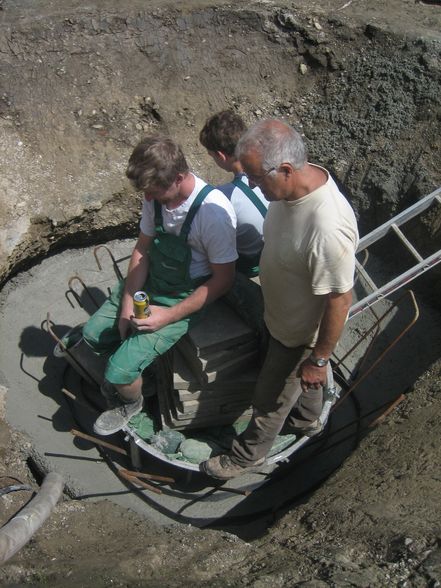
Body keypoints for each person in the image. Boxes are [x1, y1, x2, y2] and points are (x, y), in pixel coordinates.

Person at [201, 119, 359, 480]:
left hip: (297, 334)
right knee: (299, 384)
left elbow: (340, 298)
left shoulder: (326, 228)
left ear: (286, 169)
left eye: (256, 178)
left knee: (269, 399)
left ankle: (245, 457)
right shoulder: (289, 190)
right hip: (279, 315)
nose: (252, 185)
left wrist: (318, 358)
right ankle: (306, 421)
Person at [82, 135, 238, 436]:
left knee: (118, 371)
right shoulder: (153, 195)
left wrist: (166, 316)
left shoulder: (212, 214)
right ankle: (143, 377)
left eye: (158, 194)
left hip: (183, 296)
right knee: (93, 336)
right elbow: (142, 249)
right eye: (148, 194)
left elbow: (224, 280)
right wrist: (128, 303)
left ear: (178, 177)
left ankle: (131, 402)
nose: (152, 200)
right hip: (150, 284)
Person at [199, 110, 268, 278]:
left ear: (221, 156)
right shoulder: (273, 171)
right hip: (277, 249)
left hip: (252, 265)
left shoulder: (223, 196)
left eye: (211, 156)